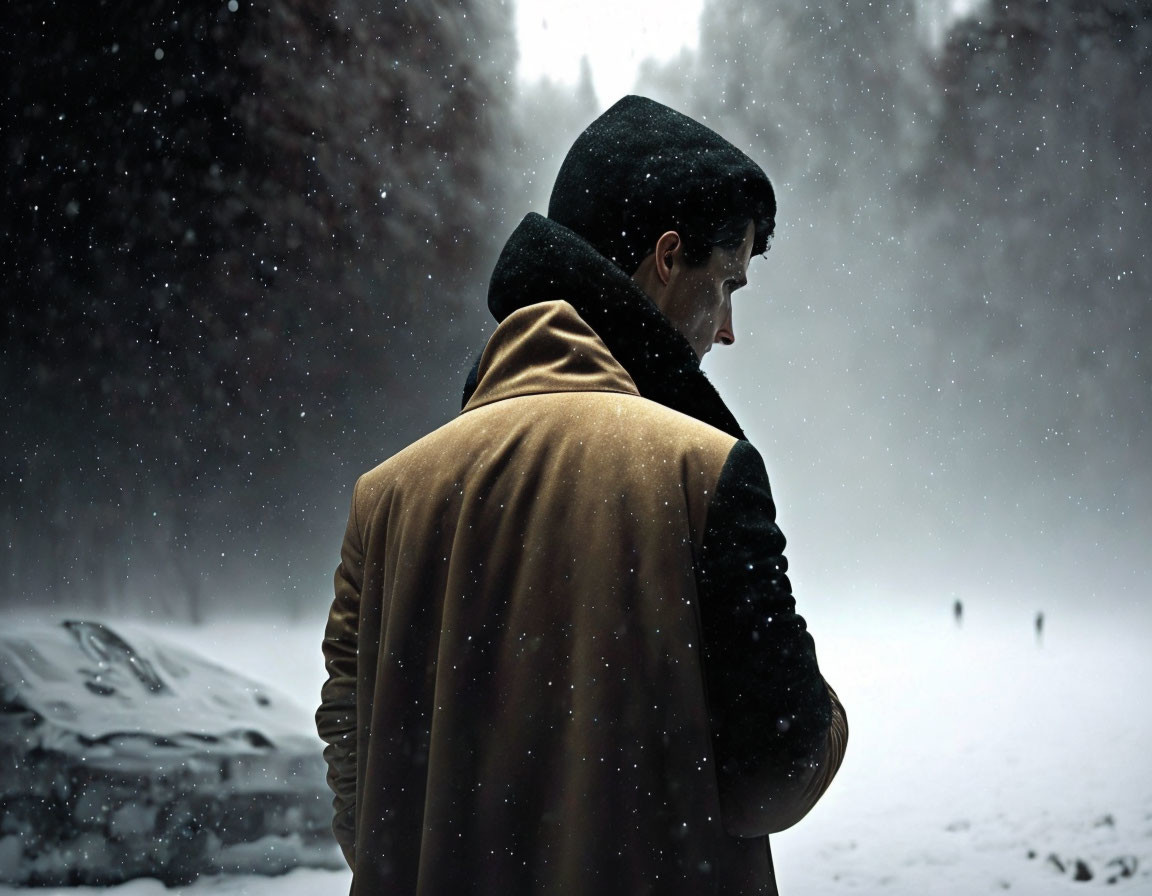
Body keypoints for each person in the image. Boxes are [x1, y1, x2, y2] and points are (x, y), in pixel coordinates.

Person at [316, 95, 847, 896]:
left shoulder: (387, 496)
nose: (729, 328)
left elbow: (365, 810)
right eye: (727, 284)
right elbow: (778, 769)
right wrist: (830, 720)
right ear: (667, 258)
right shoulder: (703, 472)